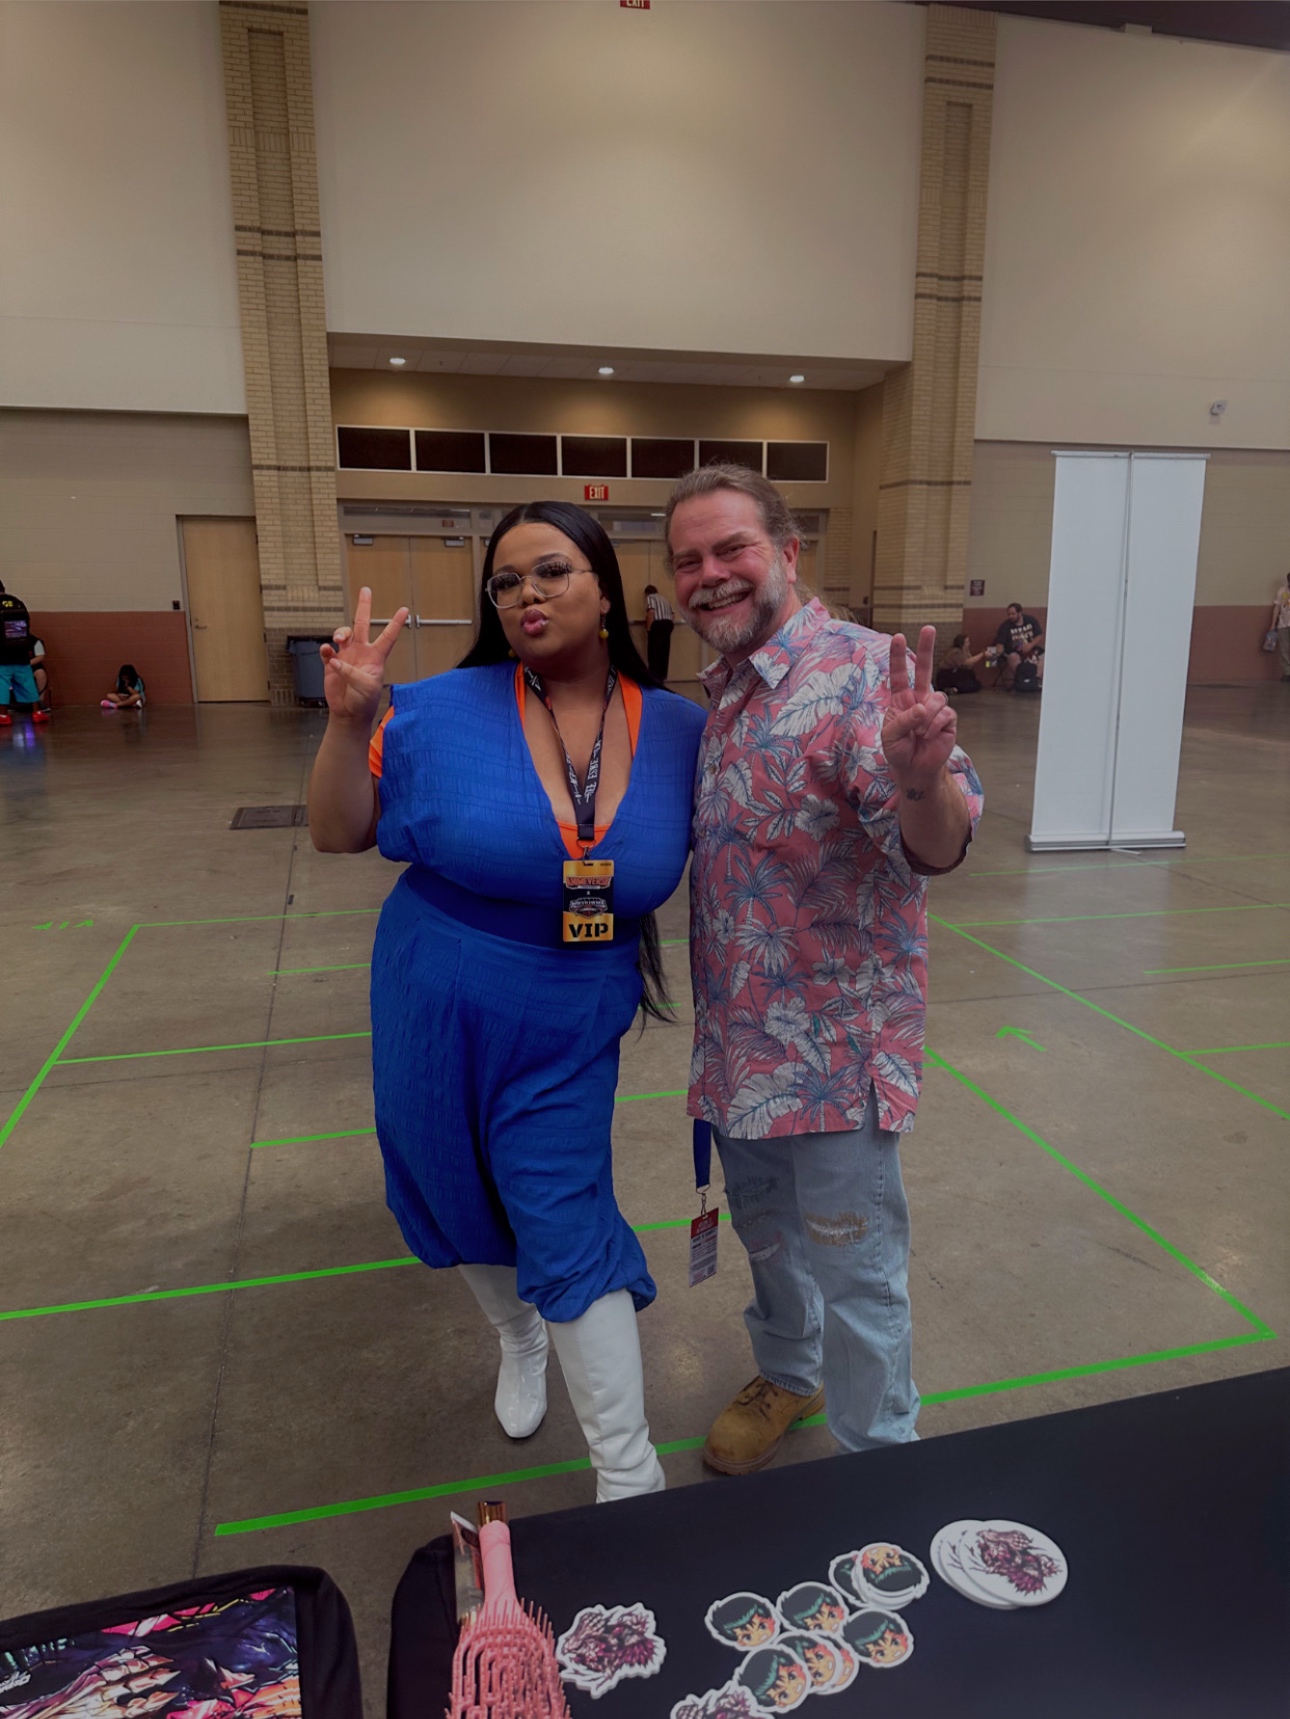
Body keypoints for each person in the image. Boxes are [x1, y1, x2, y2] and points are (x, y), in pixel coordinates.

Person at [308, 501, 706, 1502]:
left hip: (571, 1009)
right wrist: (349, 722)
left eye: (553, 570)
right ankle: (516, 1334)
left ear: (606, 590)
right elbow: (336, 831)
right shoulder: (434, 710)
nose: (527, 592)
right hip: (433, 994)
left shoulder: (682, 731)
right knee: (453, 1185)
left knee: (561, 1209)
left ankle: (629, 1476)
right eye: (506, 580)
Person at [665, 464, 983, 1476]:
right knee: (767, 1241)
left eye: (731, 548)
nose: (710, 574)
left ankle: (878, 1463)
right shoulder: (725, 690)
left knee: (858, 1274)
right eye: (687, 560)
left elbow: (938, 846)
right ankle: (790, 1373)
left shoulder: (860, 674)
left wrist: (922, 781)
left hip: (837, 1065)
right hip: (740, 1054)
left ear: (789, 553)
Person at [0, 580, 49, 725]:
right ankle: (37, 713)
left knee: (2, 685)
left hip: (2, 656)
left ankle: (3, 715)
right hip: (21, 653)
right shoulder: (18, 603)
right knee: (28, 683)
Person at [993, 602, 1044, 689]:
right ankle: (1021, 680)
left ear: (1020, 613)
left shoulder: (1031, 620)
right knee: (1013, 656)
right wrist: (995, 654)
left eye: (1013, 614)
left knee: (1044, 656)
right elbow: (999, 643)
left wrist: (1030, 645)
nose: (1010, 616)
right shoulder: (1005, 626)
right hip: (1014, 651)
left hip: (1031, 648)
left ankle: (1036, 680)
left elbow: (1039, 635)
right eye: (1009, 614)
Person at [642, 583, 675, 680]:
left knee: (653, 650)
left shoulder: (650, 598)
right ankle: (662, 674)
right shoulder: (665, 598)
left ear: (647, 593)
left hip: (657, 625)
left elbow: (651, 612)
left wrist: (648, 628)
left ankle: (653, 674)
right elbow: (673, 615)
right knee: (664, 651)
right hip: (668, 624)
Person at [1270, 574, 1290, 682]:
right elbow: (1277, 607)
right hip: (1283, 624)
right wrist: (1273, 624)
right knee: (1284, 649)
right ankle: (1287, 672)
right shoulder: (1282, 591)